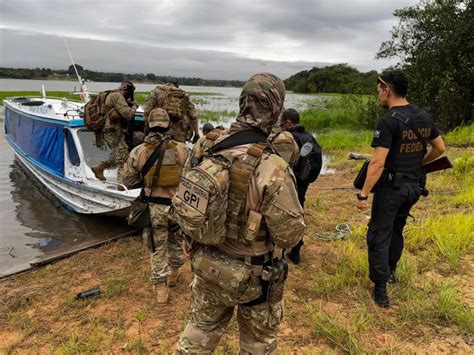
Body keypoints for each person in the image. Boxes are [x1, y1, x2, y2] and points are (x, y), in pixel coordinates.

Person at [175, 73, 306, 354]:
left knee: (199, 332)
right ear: (275, 109)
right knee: (257, 345)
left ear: (242, 102)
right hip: (256, 277)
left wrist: (189, 240)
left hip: (207, 262)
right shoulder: (272, 166)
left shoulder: (205, 145)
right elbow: (289, 235)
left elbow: (186, 199)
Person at [356, 71, 445, 307]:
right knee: (397, 228)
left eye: (379, 89)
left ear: (387, 89)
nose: (378, 94)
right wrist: (419, 163)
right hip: (414, 187)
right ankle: (392, 271)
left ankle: (381, 289)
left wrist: (363, 193)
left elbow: (377, 163)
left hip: (391, 188)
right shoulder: (423, 116)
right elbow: (439, 148)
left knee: (379, 234)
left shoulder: (388, 121)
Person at [121, 108, 189, 304]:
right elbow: (191, 177)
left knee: (157, 246)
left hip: (154, 209)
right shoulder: (182, 149)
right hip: (177, 207)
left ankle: (161, 290)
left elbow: (127, 179)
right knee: (176, 240)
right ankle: (175, 274)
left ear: (148, 125)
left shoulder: (139, 151)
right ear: (168, 125)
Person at [279, 108, 322, 264]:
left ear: (288, 123)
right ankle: (296, 250)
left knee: (283, 215)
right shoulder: (310, 137)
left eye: (282, 123)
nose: (280, 126)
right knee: (299, 212)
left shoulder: (289, 138)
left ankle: (282, 250)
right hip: (303, 183)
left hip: (291, 183)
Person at [90, 81, 138, 182]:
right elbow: (128, 114)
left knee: (118, 154)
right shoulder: (117, 96)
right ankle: (122, 185)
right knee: (123, 159)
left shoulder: (110, 94)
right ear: (125, 89)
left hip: (111, 131)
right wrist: (134, 107)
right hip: (112, 132)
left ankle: (100, 167)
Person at [143, 78, 200, 143]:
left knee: (156, 150)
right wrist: (196, 133)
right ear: (177, 85)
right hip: (179, 131)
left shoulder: (156, 92)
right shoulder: (183, 94)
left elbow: (147, 111)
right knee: (180, 150)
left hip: (159, 129)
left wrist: (147, 129)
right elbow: (193, 116)